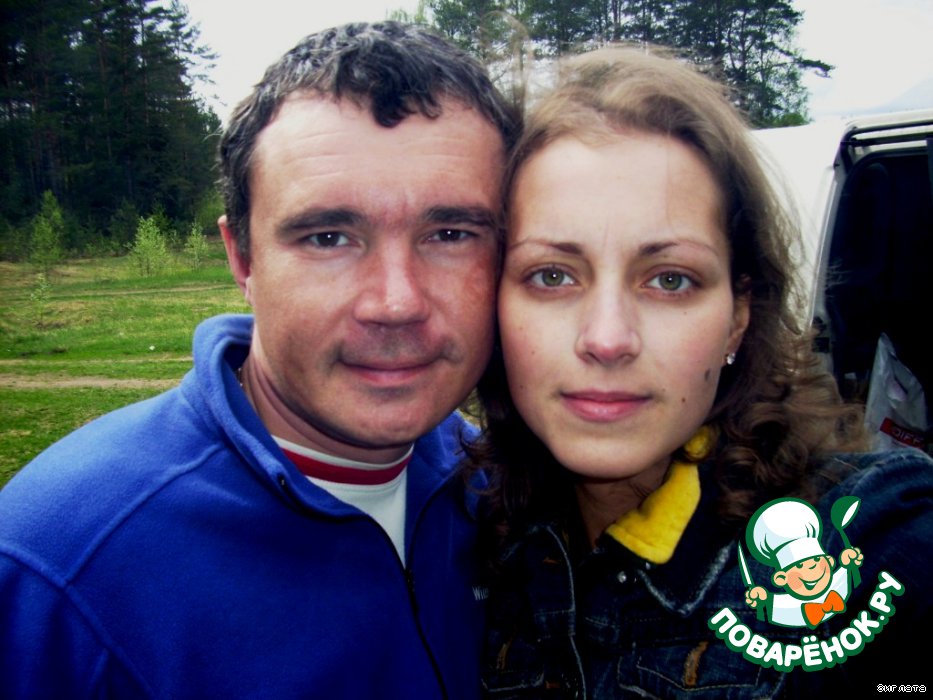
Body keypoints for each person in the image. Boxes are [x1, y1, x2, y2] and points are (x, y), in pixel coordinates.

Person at [0, 21, 518, 699]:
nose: (396, 303)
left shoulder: (498, 492)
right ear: (242, 258)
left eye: (450, 234)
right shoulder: (56, 566)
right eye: (328, 237)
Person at [468, 47, 932, 697]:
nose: (607, 340)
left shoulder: (865, 539)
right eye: (551, 276)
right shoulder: (467, 539)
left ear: (738, 316)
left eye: (669, 280)